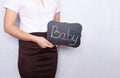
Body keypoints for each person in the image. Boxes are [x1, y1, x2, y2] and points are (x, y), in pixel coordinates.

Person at [4, 0, 62, 78]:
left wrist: (62, 40)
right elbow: (8, 27)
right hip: (30, 49)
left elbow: (56, 26)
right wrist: (36, 39)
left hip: (50, 50)